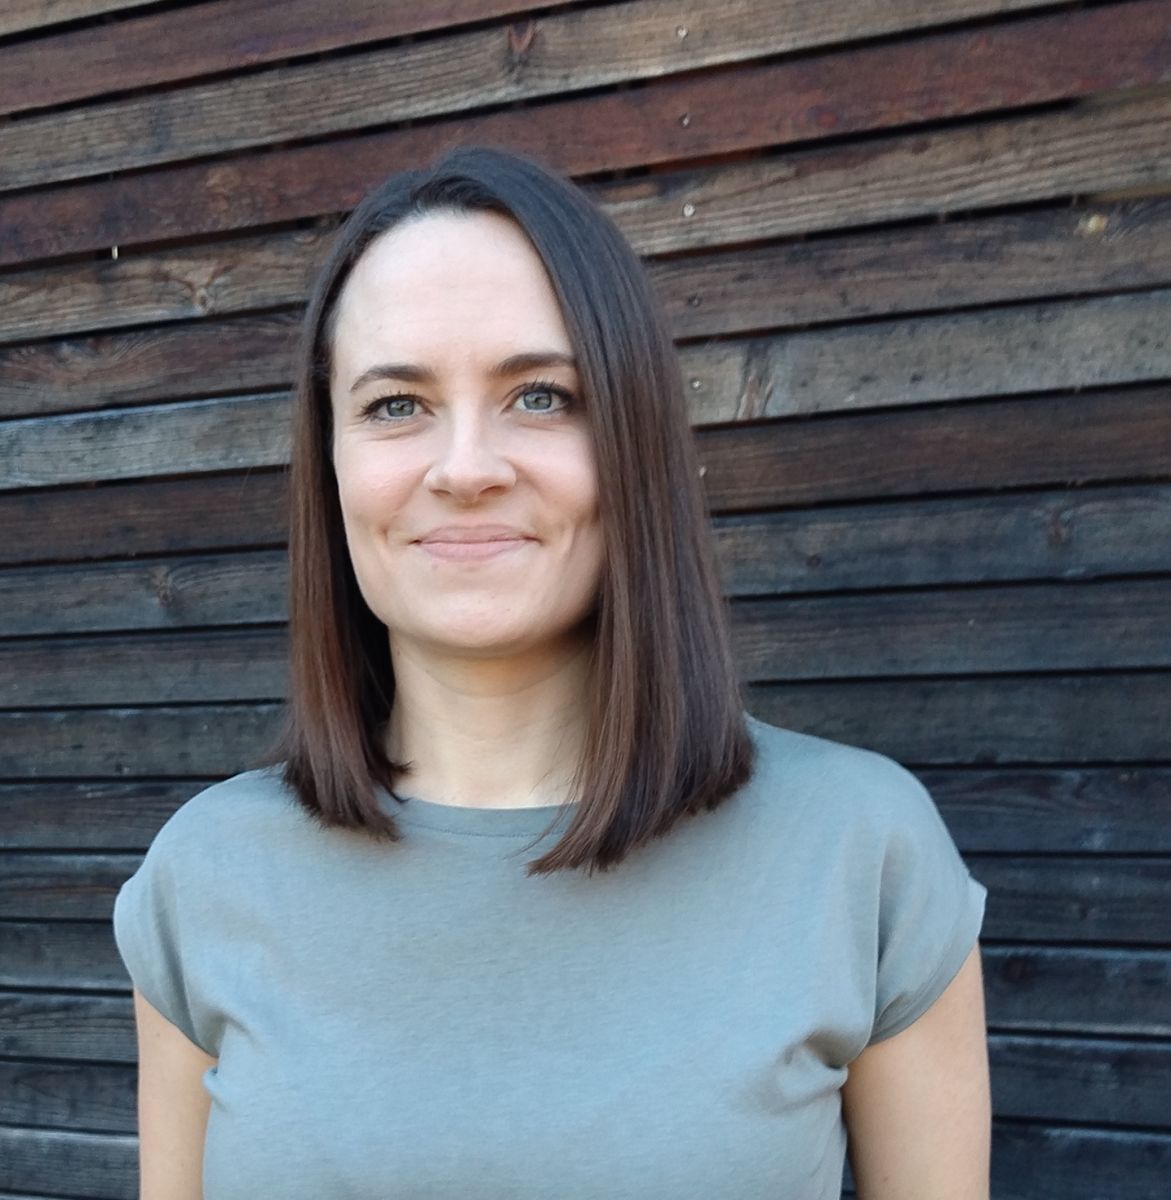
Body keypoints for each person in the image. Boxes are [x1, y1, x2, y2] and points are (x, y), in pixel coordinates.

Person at [113, 146, 990, 1199]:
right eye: (395, 404)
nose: (466, 468)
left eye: (539, 396)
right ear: (330, 458)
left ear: (632, 441)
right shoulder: (206, 873)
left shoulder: (857, 850)